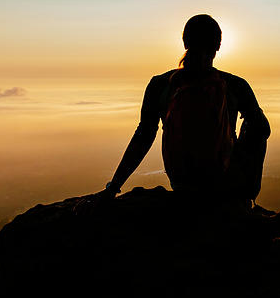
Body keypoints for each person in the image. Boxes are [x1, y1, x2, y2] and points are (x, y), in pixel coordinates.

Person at [97, 14, 270, 206]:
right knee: (258, 123)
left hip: (181, 183)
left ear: (184, 41)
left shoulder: (160, 85)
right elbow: (262, 129)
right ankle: (245, 199)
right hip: (226, 184)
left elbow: (144, 136)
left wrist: (113, 187)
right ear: (219, 46)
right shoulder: (235, 85)